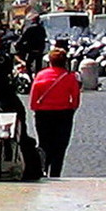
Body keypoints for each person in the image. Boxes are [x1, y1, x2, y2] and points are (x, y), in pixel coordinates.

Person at [28, 47, 81, 177]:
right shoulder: (70, 77)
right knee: (60, 146)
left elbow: (33, 100)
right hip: (64, 114)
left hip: (43, 114)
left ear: (50, 61)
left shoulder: (40, 75)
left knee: (44, 144)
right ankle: (56, 173)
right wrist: (70, 109)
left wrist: (38, 109)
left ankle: (43, 169)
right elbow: (75, 99)